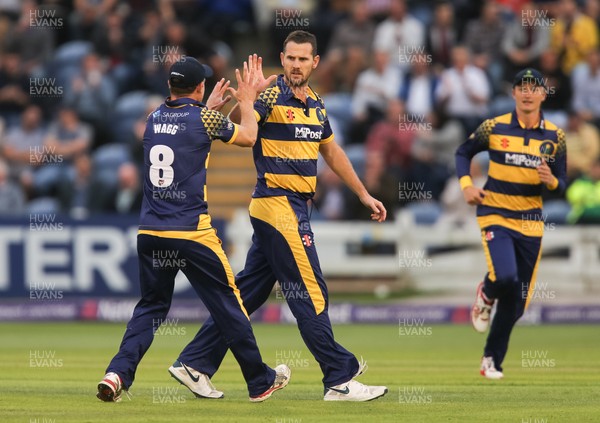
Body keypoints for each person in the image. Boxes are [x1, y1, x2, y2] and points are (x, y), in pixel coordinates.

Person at [176, 31, 389, 402]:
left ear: (315, 63)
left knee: (246, 294)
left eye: (303, 59)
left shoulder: (317, 104)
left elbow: (333, 152)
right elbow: (243, 133)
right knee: (310, 292)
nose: (295, 65)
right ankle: (339, 378)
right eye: (290, 58)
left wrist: (363, 193)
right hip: (278, 205)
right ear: (283, 57)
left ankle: (195, 362)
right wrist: (247, 99)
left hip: (287, 208)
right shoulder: (271, 95)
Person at [96, 56, 290, 403]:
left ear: (170, 86)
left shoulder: (153, 118)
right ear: (200, 87)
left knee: (151, 307)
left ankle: (117, 373)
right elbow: (246, 137)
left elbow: (188, 135)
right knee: (229, 304)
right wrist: (247, 101)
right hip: (191, 232)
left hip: (150, 232)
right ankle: (259, 381)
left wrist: (210, 108)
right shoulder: (203, 117)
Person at [455, 68, 567, 379]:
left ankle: (490, 359)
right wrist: (467, 186)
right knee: (504, 276)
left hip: (530, 223)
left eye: (534, 87)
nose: (528, 92)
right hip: (495, 213)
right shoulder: (495, 126)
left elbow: (565, 184)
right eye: (522, 87)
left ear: (544, 94)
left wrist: (552, 182)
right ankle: (486, 293)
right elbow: (463, 152)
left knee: (517, 303)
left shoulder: (555, 136)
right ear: (514, 93)